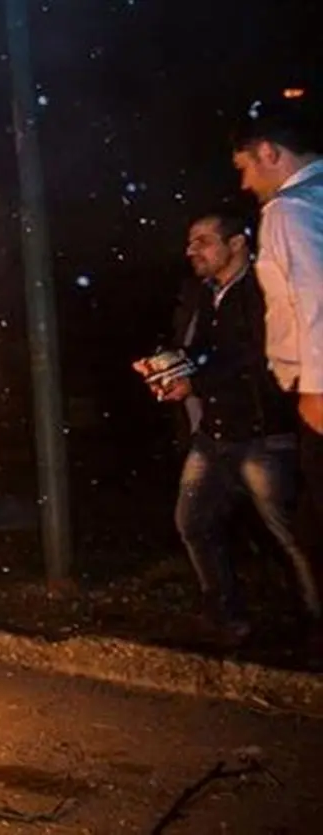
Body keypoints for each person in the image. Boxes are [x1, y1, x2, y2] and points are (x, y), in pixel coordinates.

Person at [138, 212, 319, 643]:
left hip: (263, 436)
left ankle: (315, 627)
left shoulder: (262, 292)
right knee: (194, 522)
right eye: (190, 242)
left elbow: (257, 360)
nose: (191, 250)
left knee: (294, 537)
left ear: (237, 243)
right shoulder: (206, 294)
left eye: (203, 241)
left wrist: (194, 380)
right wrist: (167, 368)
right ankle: (226, 619)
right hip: (215, 435)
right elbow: (203, 352)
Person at [232, 102, 323, 650]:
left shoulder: (288, 211)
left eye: (245, 166)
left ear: (271, 153)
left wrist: (315, 384)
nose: (245, 182)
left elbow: (315, 298)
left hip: (319, 389)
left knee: (315, 524)